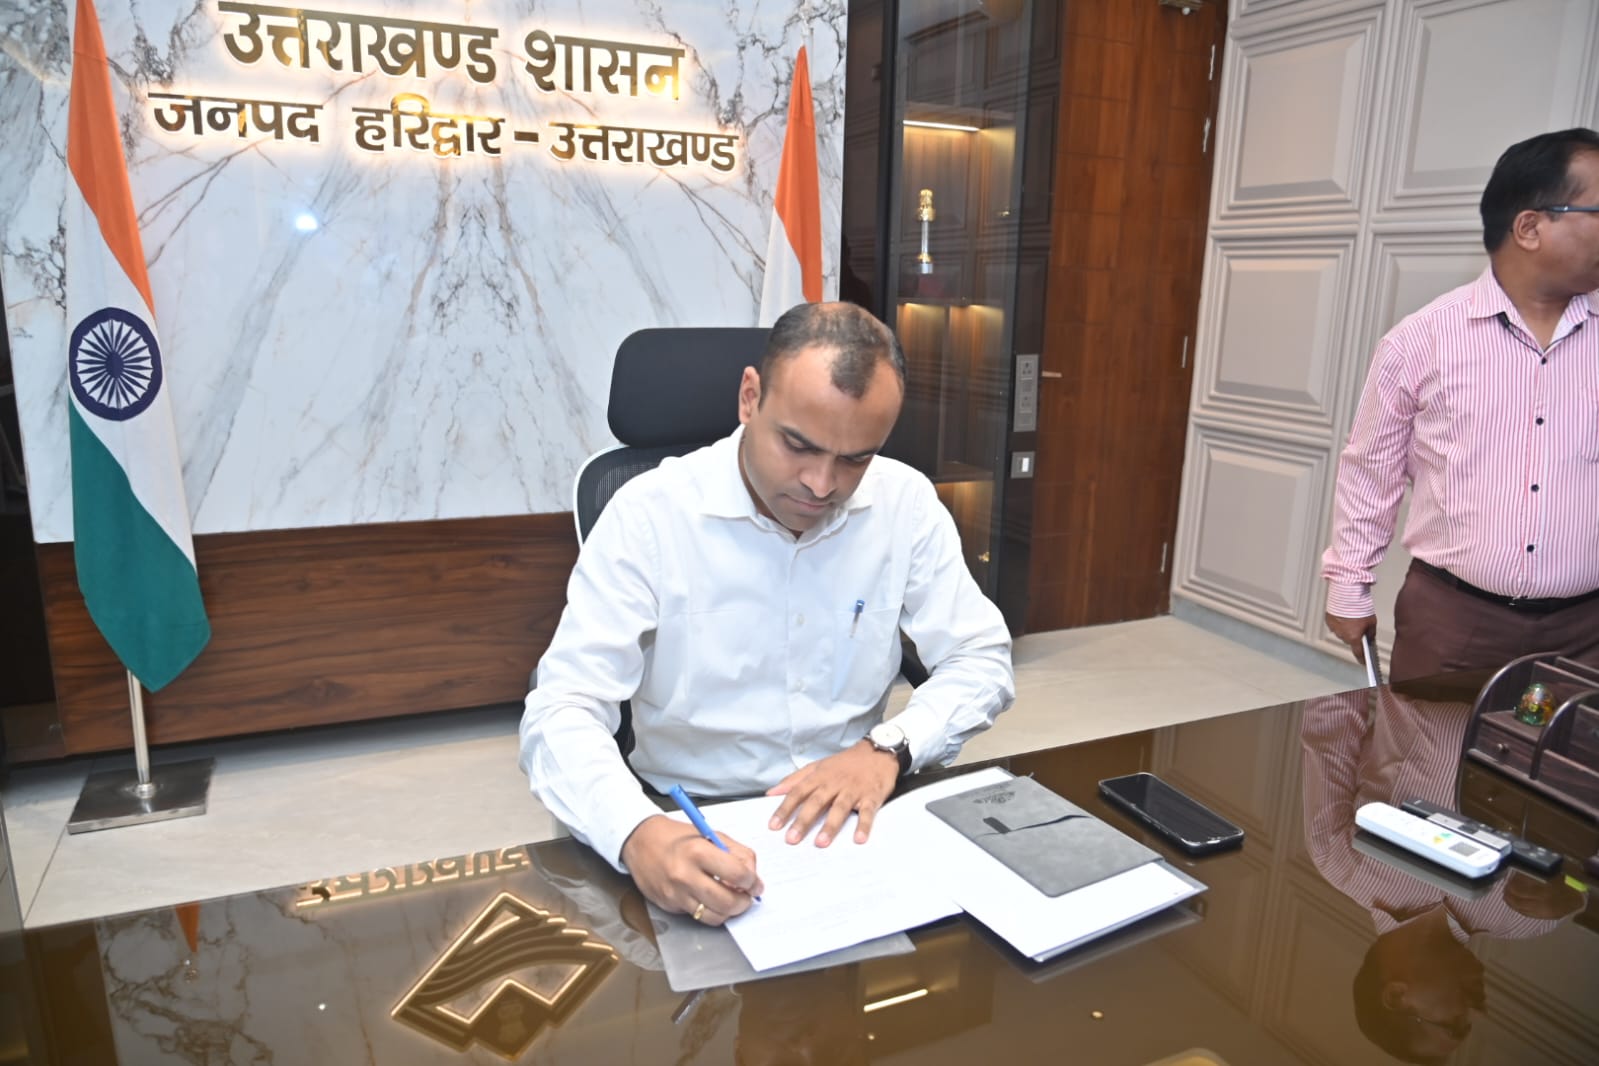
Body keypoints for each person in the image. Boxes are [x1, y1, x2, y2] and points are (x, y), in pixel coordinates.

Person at [519, 301, 1015, 926]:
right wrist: (635, 832)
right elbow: (561, 708)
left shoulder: (904, 503)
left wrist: (888, 748)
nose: (821, 484)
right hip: (690, 814)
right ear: (750, 398)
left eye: (855, 458)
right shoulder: (649, 514)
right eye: (798, 445)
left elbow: (982, 659)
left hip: (853, 808)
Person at [1321, 128, 1599, 682]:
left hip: (1586, 630)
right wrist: (1349, 586)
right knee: (1429, 742)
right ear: (1529, 227)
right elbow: (1370, 472)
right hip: (1453, 622)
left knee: (1571, 745)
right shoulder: (1420, 341)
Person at [1300, 684, 1588, 1063]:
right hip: (1569, 694)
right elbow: (1587, 841)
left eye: (1454, 1024)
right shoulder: (1529, 919)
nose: (1478, 1012)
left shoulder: (1338, 858)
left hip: (1448, 665)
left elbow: (1331, 723)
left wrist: (1364, 643)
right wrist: (1574, 888)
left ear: (1397, 995)